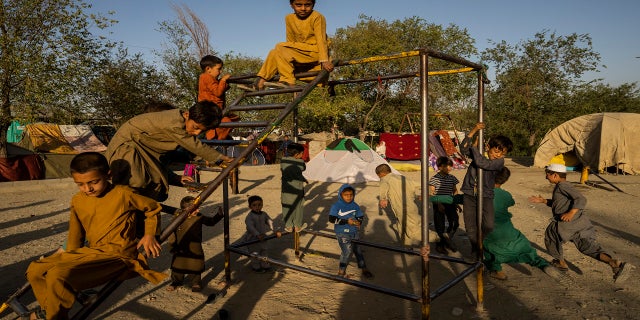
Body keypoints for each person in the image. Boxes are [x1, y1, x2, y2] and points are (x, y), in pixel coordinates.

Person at [25, 152, 166, 320]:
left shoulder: (124, 194)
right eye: (81, 184)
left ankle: (53, 317)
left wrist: (150, 234)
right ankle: (49, 311)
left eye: (93, 182)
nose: (88, 189)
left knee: (57, 275)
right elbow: (75, 234)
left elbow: (153, 208)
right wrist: (69, 257)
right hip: (91, 251)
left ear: (108, 175)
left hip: (117, 255)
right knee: (35, 269)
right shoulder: (78, 200)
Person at [106, 101, 232, 202]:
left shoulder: (159, 138)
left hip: (137, 151)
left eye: (201, 131)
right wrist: (219, 158)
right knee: (136, 185)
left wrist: (175, 177)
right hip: (125, 150)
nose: (197, 133)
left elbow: (160, 160)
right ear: (187, 114)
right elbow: (194, 145)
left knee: (146, 189)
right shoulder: (174, 123)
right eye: (195, 128)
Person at [528, 164, 632, 283]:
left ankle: (561, 264)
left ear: (555, 175)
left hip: (568, 224)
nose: (546, 177)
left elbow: (581, 199)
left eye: (547, 174)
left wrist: (571, 213)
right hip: (581, 224)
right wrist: (544, 201)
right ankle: (614, 263)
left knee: (551, 235)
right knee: (587, 247)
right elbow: (560, 204)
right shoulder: (564, 186)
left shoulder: (562, 186)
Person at [484, 167, 564, 281]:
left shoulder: (481, 195)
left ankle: (497, 270)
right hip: (508, 230)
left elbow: (457, 199)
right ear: (504, 180)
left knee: (487, 248)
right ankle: (542, 264)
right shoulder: (505, 195)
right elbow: (511, 202)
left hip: (490, 232)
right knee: (525, 249)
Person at [247, 0, 334, 91]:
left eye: (307, 5)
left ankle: (288, 81)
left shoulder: (317, 17)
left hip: (316, 51)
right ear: (291, 5)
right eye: (299, 5)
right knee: (274, 52)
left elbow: (321, 39)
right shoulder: (289, 18)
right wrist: (287, 58)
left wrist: (324, 60)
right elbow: (290, 41)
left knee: (280, 46)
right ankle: (259, 82)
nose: (303, 8)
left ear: (313, 5)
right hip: (300, 52)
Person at [459, 122, 513, 257]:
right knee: (470, 224)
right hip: (470, 193)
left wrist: (476, 148)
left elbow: (482, 163)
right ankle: (475, 250)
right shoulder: (478, 155)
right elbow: (463, 149)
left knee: (488, 224)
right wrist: (474, 131)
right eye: (496, 151)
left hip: (486, 195)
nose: (498, 155)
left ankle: (479, 243)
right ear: (488, 147)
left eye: (502, 153)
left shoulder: (498, 162)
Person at [167, 196, 224, 292]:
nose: (198, 210)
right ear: (186, 209)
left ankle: (196, 282)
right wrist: (172, 246)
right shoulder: (177, 218)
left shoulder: (199, 216)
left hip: (195, 246)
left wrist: (219, 215)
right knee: (178, 266)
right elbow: (171, 233)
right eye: (195, 208)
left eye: (198, 207)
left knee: (196, 265)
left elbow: (210, 222)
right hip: (180, 246)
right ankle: (176, 282)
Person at [328, 184, 374, 278]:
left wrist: (359, 222)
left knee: (357, 250)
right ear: (341, 195)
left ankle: (363, 268)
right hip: (342, 232)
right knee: (346, 251)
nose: (349, 197)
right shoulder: (336, 206)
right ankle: (341, 271)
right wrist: (346, 221)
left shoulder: (355, 205)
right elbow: (332, 219)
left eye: (351, 195)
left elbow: (360, 216)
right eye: (346, 195)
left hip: (354, 232)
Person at [375, 163, 422, 247]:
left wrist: (383, 199)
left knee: (412, 230)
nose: (379, 178)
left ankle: (437, 237)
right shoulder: (402, 177)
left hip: (401, 208)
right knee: (401, 225)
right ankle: (406, 245)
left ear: (382, 173)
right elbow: (419, 185)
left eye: (378, 175)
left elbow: (383, 192)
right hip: (412, 206)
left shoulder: (385, 179)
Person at [197, 55, 237, 140]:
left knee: (232, 119)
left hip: (216, 110)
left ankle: (219, 137)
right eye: (218, 69)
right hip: (210, 110)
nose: (220, 72)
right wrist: (223, 81)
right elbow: (218, 92)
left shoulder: (210, 78)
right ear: (208, 69)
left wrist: (223, 83)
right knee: (227, 121)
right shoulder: (206, 77)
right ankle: (214, 137)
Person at [237, 195, 280, 273]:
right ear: (250, 206)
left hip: (263, 237)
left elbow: (269, 221)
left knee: (264, 251)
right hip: (253, 238)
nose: (257, 207)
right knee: (255, 253)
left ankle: (265, 264)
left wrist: (275, 230)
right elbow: (250, 226)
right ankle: (256, 266)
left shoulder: (264, 214)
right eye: (254, 205)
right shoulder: (250, 217)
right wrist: (257, 234)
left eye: (259, 204)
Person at [429, 156, 460, 254]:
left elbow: (455, 190)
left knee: (455, 222)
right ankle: (440, 245)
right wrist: (438, 204)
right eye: (447, 166)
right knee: (440, 225)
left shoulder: (452, 178)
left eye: (450, 166)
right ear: (440, 167)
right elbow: (431, 193)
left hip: (450, 203)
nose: (450, 168)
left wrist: (456, 202)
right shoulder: (434, 179)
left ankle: (447, 239)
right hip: (439, 204)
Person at [281, 142, 308, 232]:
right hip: (298, 190)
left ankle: (288, 225)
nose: (302, 156)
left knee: (286, 207)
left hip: (286, 190)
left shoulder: (283, 161)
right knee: (298, 207)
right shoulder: (300, 162)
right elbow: (303, 168)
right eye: (301, 154)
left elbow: (286, 170)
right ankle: (297, 226)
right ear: (297, 154)